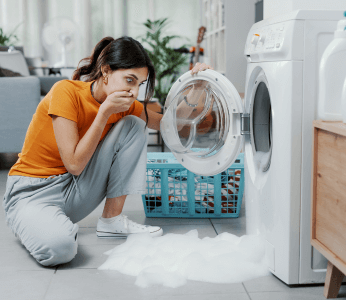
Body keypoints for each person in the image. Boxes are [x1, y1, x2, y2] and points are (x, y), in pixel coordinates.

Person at [2, 36, 213, 267]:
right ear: (105, 71)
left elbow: (171, 125)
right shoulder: (66, 92)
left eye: (139, 84)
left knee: (133, 125)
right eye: (129, 80)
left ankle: (111, 221)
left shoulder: (125, 106)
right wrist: (104, 113)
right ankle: (34, 222)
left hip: (74, 189)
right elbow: (74, 163)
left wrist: (197, 88)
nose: (133, 91)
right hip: (32, 192)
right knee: (60, 250)